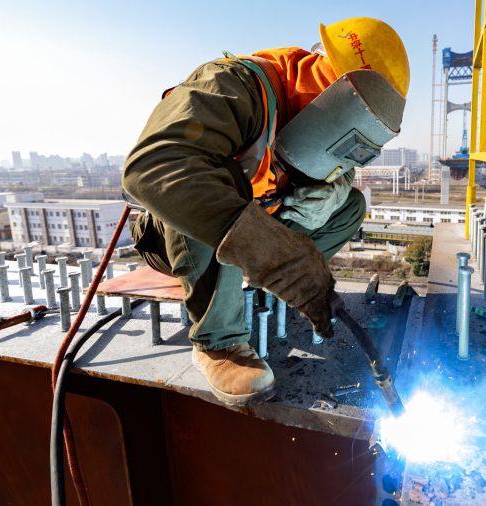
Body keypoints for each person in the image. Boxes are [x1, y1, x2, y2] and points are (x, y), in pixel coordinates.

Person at [122, 17, 409, 406]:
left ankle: (263, 283)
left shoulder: (321, 124)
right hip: (175, 237)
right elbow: (154, 167)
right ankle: (218, 342)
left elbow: (342, 172)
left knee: (350, 207)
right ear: (333, 85)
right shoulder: (231, 85)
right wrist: (281, 257)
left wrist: (330, 190)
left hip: (254, 227)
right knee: (212, 179)